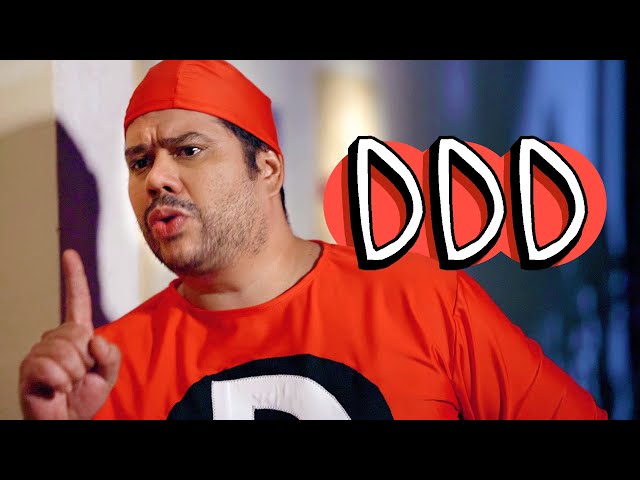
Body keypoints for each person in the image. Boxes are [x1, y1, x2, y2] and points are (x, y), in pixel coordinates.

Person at [18, 60, 608, 420]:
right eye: (140, 162)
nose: (157, 179)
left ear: (267, 167)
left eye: (189, 150)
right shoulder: (104, 370)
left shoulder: (421, 299)